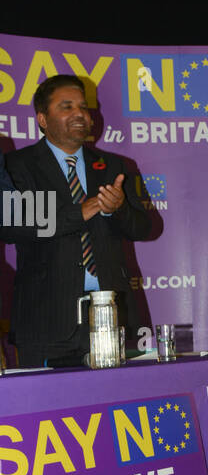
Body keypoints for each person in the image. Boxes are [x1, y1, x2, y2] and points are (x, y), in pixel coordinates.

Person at [5, 75, 151, 367]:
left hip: (109, 315)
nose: (80, 114)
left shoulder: (113, 166)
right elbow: (15, 224)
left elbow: (146, 228)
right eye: (66, 106)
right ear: (43, 119)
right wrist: (81, 211)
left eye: (83, 107)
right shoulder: (18, 165)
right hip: (45, 319)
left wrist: (117, 209)